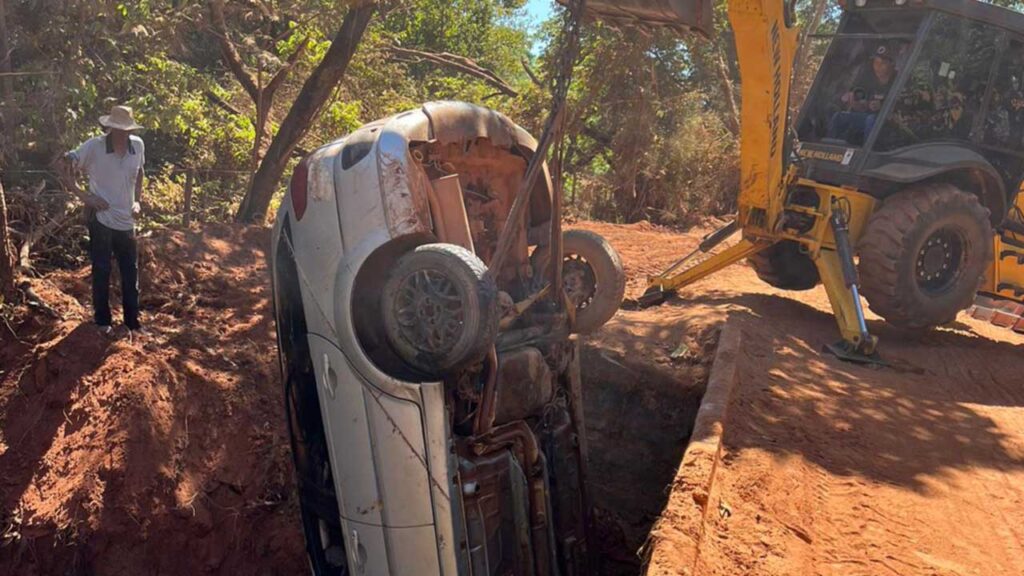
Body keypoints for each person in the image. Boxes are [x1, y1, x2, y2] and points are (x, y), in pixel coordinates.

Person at [60, 105, 146, 337]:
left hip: (127, 220)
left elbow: (140, 173)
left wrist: (137, 201)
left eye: (125, 130)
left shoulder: (137, 145)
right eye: (117, 129)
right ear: (110, 128)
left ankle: (132, 322)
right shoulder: (94, 147)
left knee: (130, 271)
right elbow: (64, 166)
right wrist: (85, 197)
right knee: (101, 269)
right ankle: (102, 321)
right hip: (101, 219)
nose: (122, 134)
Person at [827, 44, 898, 144]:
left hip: (889, 122)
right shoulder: (867, 76)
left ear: (892, 64)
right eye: (875, 62)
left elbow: (904, 104)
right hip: (866, 117)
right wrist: (857, 101)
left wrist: (883, 106)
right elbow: (858, 95)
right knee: (838, 117)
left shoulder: (900, 79)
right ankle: (831, 151)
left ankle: (865, 154)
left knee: (871, 119)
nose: (877, 67)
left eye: (882, 63)